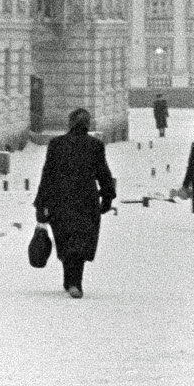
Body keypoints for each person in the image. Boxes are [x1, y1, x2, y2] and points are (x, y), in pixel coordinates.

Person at [33, 107, 117, 299]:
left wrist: (41, 203)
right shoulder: (95, 145)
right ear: (87, 124)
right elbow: (103, 173)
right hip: (86, 201)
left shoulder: (56, 144)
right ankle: (74, 282)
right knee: (80, 242)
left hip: (60, 200)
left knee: (66, 240)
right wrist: (107, 196)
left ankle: (70, 280)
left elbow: (48, 175)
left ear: (70, 124)